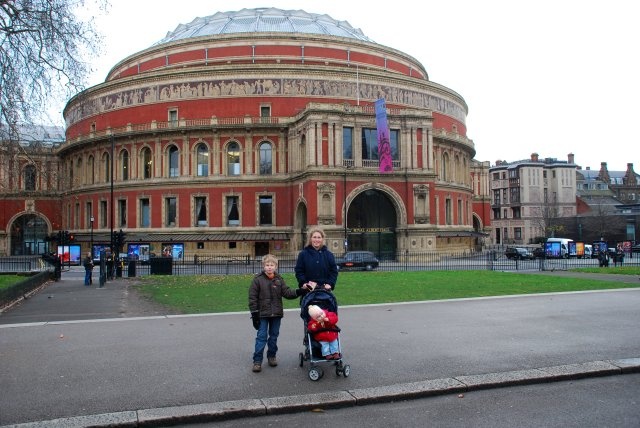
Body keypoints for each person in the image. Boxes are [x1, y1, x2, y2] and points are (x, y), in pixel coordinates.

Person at [248, 254, 309, 373]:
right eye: (267, 265)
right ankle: (257, 361)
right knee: (261, 337)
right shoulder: (257, 280)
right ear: (263, 266)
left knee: (273, 336)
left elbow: (287, 293)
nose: (269, 267)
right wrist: (254, 314)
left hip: (276, 314)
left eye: (272, 265)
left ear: (276, 266)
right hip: (262, 314)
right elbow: (252, 298)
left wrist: (301, 291)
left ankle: (271, 356)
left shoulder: (279, 279)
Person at [294, 227, 338, 291]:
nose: (316, 240)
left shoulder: (329, 255)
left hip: (325, 290)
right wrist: (303, 283)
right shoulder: (303, 254)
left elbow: (333, 272)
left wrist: (330, 283)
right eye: (314, 237)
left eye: (319, 237)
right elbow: (299, 271)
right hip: (308, 290)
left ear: (322, 239)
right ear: (310, 239)